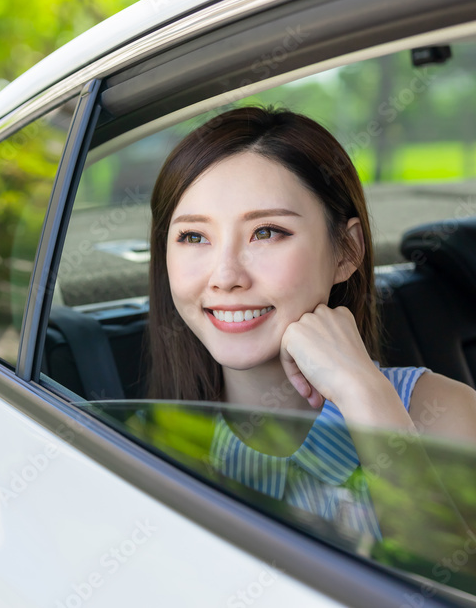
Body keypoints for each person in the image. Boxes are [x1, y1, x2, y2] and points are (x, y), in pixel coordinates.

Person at [146, 105, 476, 541]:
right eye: (193, 237)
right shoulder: (139, 439)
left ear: (346, 251)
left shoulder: (448, 416)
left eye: (266, 232)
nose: (225, 277)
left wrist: (364, 394)